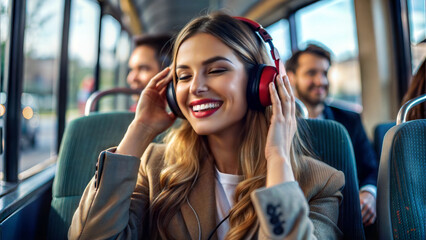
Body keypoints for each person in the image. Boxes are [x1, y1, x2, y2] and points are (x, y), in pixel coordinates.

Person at [69, 13, 344, 239]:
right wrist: (140, 128)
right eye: (184, 76)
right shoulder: (154, 167)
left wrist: (278, 158)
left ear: (260, 84)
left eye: (216, 70)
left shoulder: (319, 184)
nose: (196, 88)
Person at [286, 44, 378, 226]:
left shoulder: (350, 120)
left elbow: (371, 167)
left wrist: (369, 193)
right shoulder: (280, 124)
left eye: (325, 73)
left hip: (348, 213)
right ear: (291, 77)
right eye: (311, 73)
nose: (321, 81)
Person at [127, 34, 173, 110]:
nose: (131, 78)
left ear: (167, 72)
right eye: (131, 70)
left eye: (143, 68)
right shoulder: (136, 110)